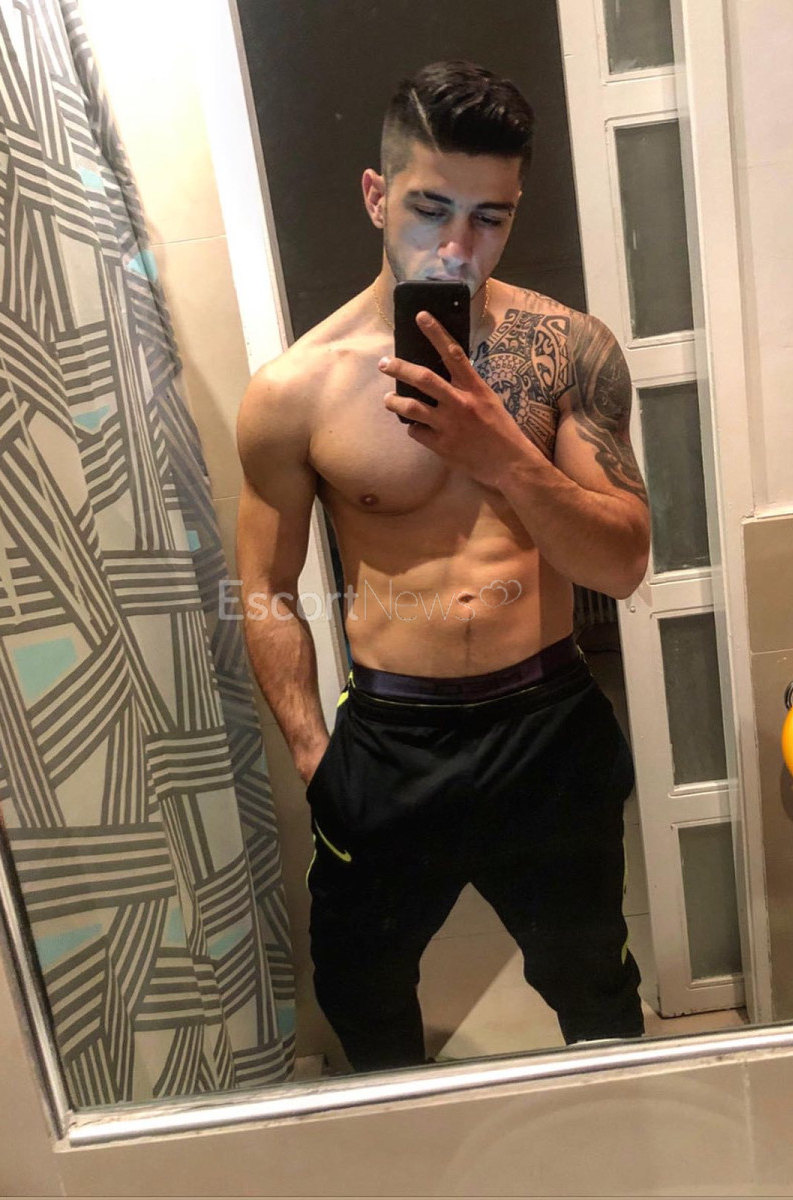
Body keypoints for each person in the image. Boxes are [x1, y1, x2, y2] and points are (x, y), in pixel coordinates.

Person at [235, 60, 650, 1071]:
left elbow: (623, 565)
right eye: (430, 208)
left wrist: (501, 454)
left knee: (594, 985)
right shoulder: (295, 390)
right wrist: (313, 755)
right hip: (390, 736)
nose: (457, 246)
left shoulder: (569, 352)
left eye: (488, 217)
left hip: (547, 723)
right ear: (377, 196)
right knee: (364, 995)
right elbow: (263, 589)